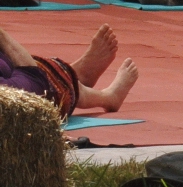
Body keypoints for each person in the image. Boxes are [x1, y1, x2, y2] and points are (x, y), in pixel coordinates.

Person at [0, 22, 138, 118]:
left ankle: (75, 74)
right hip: (30, 89)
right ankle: (106, 97)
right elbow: (33, 84)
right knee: (47, 87)